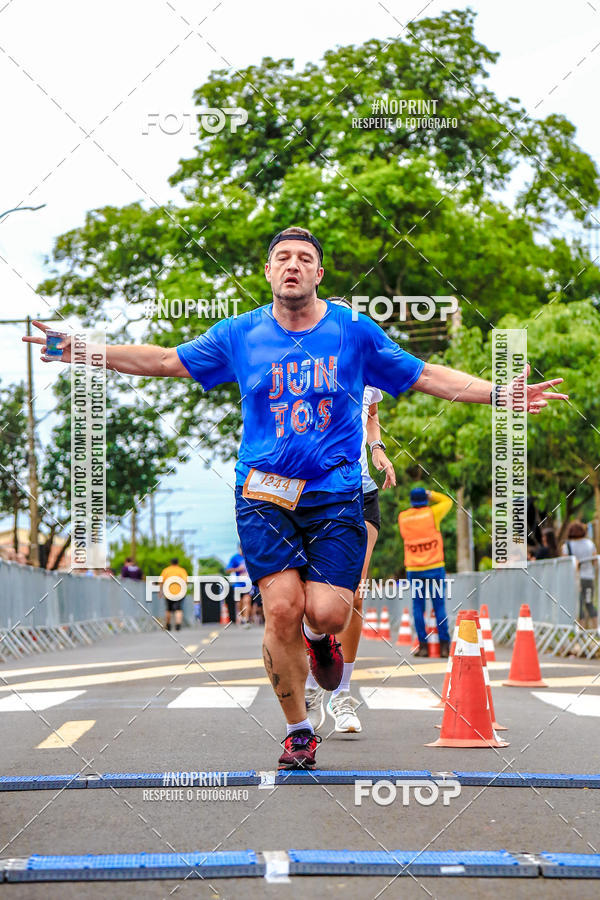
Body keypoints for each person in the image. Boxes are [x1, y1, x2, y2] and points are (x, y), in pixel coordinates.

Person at [24, 225, 568, 770]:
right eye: (282, 257)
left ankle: (320, 639)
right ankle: (299, 730)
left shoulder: (354, 331)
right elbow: (165, 360)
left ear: (318, 274)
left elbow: (425, 376)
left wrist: (500, 394)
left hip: (334, 494)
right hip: (262, 492)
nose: (292, 265)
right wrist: (82, 351)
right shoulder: (239, 333)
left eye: (304, 258)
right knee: (280, 608)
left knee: (328, 613)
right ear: (268, 272)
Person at [306, 299, 396, 733]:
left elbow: (372, 419)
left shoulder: (366, 373)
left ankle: (341, 696)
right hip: (311, 496)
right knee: (314, 602)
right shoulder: (303, 371)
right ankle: (312, 679)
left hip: (358, 491)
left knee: (356, 592)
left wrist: (377, 449)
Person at [398, 488, 453, 657]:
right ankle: (444, 646)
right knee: (439, 606)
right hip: (435, 567)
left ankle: (423, 646)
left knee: (418, 608)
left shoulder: (403, 517)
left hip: (414, 569)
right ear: (425, 499)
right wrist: (432, 494)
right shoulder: (432, 513)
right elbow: (448, 501)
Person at [562, 521, 598, 629]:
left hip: (575, 580)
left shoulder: (567, 546)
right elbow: (595, 561)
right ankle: (596, 630)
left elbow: (565, 563)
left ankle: (581, 632)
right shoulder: (589, 544)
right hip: (588, 578)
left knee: (578, 606)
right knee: (589, 603)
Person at [159, 557, 189, 631]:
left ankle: (168, 624)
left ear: (171, 563)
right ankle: (178, 624)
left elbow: (161, 581)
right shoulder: (181, 570)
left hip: (168, 592)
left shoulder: (166, 570)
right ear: (177, 563)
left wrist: (160, 591)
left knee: (168, 609)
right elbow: (185, 580)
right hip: (179, 592)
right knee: (178, 609)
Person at [227, 545, 252, 626]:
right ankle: (241, 617)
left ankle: (246, 619)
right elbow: (227, 570)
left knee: (247, 601)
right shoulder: (235, 558)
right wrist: (238, 569)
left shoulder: (249, 556)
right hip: (238, 585)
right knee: (239, 603)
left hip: (248, 584)